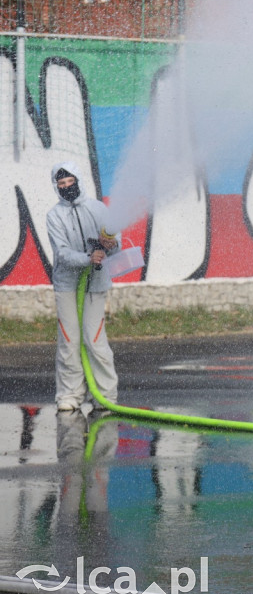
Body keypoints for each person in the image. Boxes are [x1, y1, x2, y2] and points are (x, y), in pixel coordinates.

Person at [46, 161, 121, 412]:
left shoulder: (98, 208)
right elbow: (62, 253)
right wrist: (87, 259)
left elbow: (115, 240)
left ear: (78, 181)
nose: (67, 187)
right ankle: (69, 395)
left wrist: (110, 245)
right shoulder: (54, 216)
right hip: (67, 285)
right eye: (61, 184)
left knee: (94, 338)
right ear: (57, 187)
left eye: (70, 182)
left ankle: (105, 396)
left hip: (95, 283)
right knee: (69, 340)